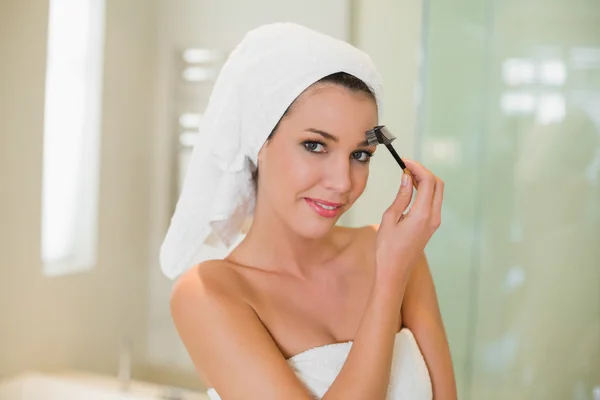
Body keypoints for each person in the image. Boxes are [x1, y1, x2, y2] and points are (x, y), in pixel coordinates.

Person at [162, 23, 456, 399]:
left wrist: (396, 266)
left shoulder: (399, 256)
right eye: (315, 146)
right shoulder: (208, 294)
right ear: (260, 142)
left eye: (360, 155)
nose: (342, 182)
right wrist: (388, 282)